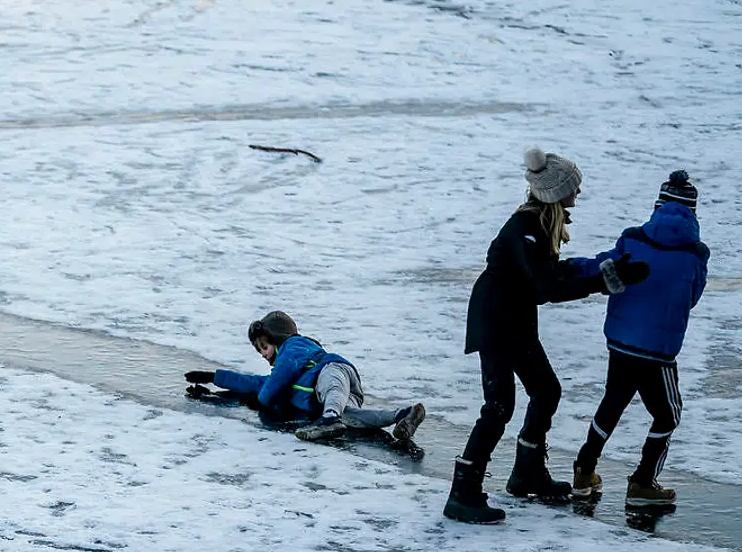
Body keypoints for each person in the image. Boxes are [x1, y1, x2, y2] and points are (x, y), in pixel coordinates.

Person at [444, 147, 650, 524]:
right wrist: (603, 282)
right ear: (557, 192)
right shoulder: (525, 227)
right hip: (496, 322)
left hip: (515, 321)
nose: (579, 193)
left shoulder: (541, 223)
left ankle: (527, 473)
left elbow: (551, 273)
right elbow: (547, 288)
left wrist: (605, 269)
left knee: (546, 389)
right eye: (574, 187)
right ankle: (463, 492)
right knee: (498, 407)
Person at [572, 170, 708, 508]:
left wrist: (567, 270)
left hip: (620, 342)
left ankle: (584, 471)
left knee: (613, 403)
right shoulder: (695, 253)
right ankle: (643, 483)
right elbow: (692, 298)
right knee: (668, 415)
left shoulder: (632, 239)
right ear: (692, 212)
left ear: (658, 206)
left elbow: (604, 267)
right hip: (658, 352)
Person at [184, 310, 427, 444]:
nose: (262, 354)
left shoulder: (295, 346)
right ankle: (402, 415)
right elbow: (255, 384)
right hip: (336, 396)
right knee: (352, 417)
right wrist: (214, 377)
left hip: (333, 371)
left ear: (278, 338)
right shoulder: (284, 376)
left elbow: (273, 383)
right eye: (258, 350)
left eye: (264, 346)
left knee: (331, 391)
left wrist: (266, 398)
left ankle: (329, 420)